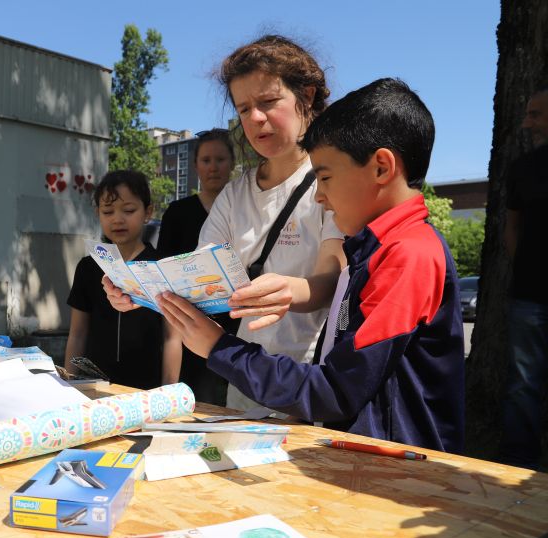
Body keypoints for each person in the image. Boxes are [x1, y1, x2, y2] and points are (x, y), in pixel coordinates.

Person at [157, 78, 465, 454]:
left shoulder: (407, 256)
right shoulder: (376, 250)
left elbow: (336, 391)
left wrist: (221, 348)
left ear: (382, 167)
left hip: (398, 473)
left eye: (325, 177)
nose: (319, 195)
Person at [104, 35, 346, 410]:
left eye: (267, 102)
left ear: (308, 96)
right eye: (244, 108)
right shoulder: (235, 194)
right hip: (244, 380)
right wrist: (140, 293)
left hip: (310, 386)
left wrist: (290, 291)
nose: (255, 119)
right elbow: (199, 280)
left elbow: (333, 278)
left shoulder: (332, 180)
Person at [64, 170, 182, 389]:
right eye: (108, 211)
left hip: (148, 389)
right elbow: (77, 333)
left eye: (128, 210)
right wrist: (68, 383)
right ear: (98, 213)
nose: (118, 219)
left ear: (148, 212)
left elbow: (172, 337)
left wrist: (169, 391)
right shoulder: (88, 267)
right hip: (93, 386)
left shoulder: (162, 267)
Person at [500, 87, 548, 470]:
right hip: (532, 294)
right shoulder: (525, 168)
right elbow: (512, 227)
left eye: (535, 114)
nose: (526, 123)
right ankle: (518, 463)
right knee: (524, 384)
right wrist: (522, 264)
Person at [155, 128, 240, 404]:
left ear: (232, 163)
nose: (213, 167)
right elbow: (164, 272)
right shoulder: (178, 213)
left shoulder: (244, 212)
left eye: (220, 159)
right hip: (189, 323)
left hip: (238, 324)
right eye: (205, 160)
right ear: (195, 165)